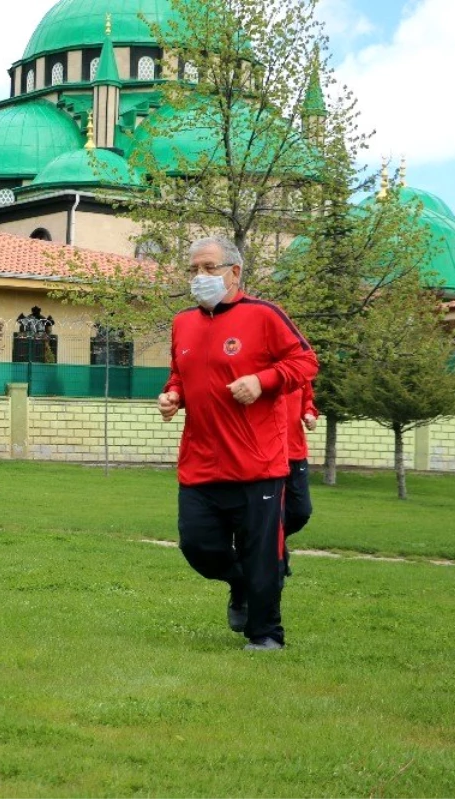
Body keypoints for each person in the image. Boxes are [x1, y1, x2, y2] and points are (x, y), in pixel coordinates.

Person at [158, 236, 318, 651]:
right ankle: (240, 582)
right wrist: (173, 395)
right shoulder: (182, 323)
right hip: (200, 462)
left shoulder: (264, 315)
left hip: (256, 463)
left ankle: (266, 634)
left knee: (262, 553)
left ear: (235, 272)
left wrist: (261, 381)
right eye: (193, 269)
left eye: (209, 268)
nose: (199, 277)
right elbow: (181, 373)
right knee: (197, 545)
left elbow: (305, 362)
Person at [282, 382, 319, 575]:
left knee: (301, 512)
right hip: (268, 457)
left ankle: (274, 540)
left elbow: (307, 399)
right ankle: (275, 560)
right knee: (271, 516)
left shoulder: (298, 373)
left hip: (296, 455)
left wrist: (309, 413)